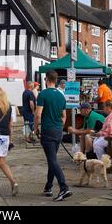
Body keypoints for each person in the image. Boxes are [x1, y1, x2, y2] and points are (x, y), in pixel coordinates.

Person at [34, 70, 72, 201]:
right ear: (56, 80)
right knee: (52, 159)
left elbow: (38, 114)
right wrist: (59, 127)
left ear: (46, 79)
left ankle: (63, 187)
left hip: (48, 130)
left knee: (52, 160)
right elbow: (64, 116)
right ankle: (48, 186)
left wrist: (35, 128)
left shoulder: (43, 94)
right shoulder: (61, 96)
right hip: (58, 131)